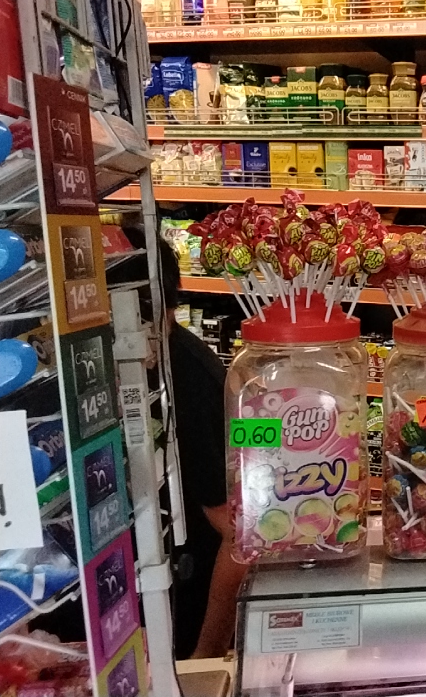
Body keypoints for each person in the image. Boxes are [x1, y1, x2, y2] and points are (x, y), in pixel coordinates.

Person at [155, 238, 247, 659]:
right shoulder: (170, 359)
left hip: (187, 610)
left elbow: (236, 530)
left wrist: (206, 652)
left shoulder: (183, 377)